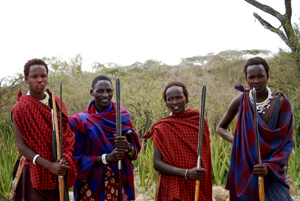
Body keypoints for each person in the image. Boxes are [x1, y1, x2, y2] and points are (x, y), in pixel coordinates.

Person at [216, 57, 293, 200]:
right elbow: (220, 128)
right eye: (252, 77)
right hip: (247, 166)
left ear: (267, 77)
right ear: (246, 79)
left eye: (260, 76)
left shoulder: (281, 102)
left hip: (272, 169)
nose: (256, 81)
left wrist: (269, 167)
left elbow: (287, 141)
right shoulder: (241, 100)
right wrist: (239, 143)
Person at [11, 58, 77, 200]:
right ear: (26, 79)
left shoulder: (57, 102)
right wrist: (49, 166)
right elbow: (21, 146)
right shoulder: (20, 108)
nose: (39, 80)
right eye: (34, 77)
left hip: (59, 169)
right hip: (33, 169)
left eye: (43, 76)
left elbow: (68, 135)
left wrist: (64, 158)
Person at [69, 75, 141, 201]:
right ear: (92, 92)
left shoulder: (123, 116)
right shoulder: (79, 121)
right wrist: (107, 158)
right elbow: (77, 158)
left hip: (119, 178)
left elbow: (133, 154)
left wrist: (127, 147)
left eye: (109, 90)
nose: (105, 95)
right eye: (100, 91)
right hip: (92, 182)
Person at [143, 81, 212, 201]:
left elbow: (205, 156)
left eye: (179, 97)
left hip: (197, 181)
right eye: (170, 99)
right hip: (173, 183)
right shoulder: (162, 127)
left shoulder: (199, 120)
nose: (175, 102)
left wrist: (197, 173)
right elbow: (157, 164)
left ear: (186, 98)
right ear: (166, 103)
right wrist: (186, 173)